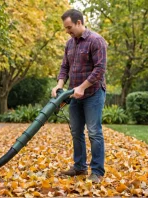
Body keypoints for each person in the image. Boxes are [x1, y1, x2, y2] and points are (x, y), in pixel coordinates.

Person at [51, 9, 107, 184]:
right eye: (66, 28)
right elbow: (64, 67)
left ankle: (97, 171)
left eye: (69, 27)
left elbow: (99, 70)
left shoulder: (96, 41)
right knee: (76, 131)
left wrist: (82, 87)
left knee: (94, 132)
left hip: (93, 93)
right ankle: (80, 167)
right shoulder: (69, 43)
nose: (67, 31)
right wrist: (59, 85)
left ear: (79, 22)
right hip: (74, 95)